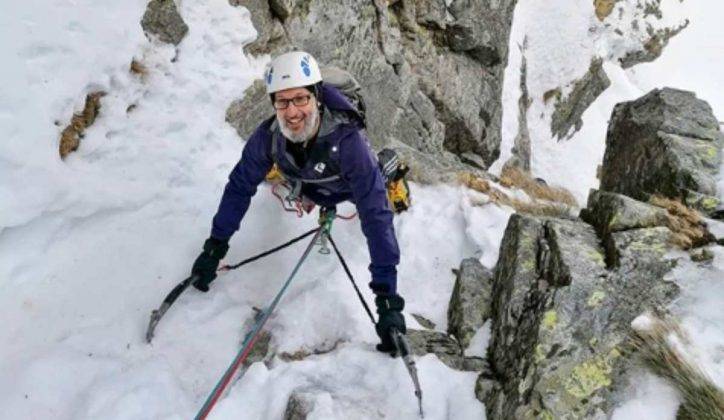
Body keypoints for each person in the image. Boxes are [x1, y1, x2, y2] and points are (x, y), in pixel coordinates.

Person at [190, 51, 405, 353]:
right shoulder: (269, 138)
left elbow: (376, 218)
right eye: (282, 101)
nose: (292, 112)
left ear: (317, 97)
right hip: (307, 181)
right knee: (281, 169)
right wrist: (215, 246)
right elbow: (239, 187)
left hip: (346, 186)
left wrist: (387, 301)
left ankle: (388, 164)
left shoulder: (349, 142)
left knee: (376, 183)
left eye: (300, 99)